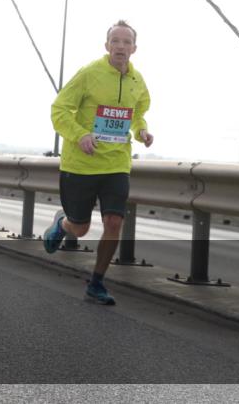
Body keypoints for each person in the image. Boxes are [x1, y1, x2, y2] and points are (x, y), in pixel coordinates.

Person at [43, 20, 154, 305]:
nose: (120, 46)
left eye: (126, 42)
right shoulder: (90, 73)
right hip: (81, 164)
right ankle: (62, 225)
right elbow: (59, 110)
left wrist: (142, 131)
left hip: (117, 163)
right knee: (80, 228)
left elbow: (137, 112)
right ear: (107, 46)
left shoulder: (137, 81)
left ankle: (97, 282)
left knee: (114, 222)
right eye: (115, 41)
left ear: (134, 48)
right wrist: (80, 135)